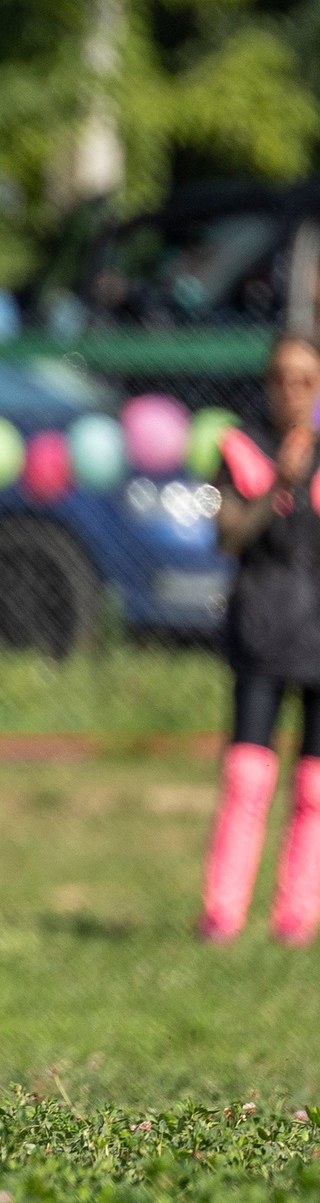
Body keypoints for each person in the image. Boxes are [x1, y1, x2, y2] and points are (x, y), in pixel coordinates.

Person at [203, 330, 320, 943]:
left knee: (315, 787)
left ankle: (296, 917)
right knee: (247, 776)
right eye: (282, 379)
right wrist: (278, 482)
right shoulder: (240, 446)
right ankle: (221, 914)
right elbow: (227, 536)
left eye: (306, 380)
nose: (292, 391)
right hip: (262, 628)